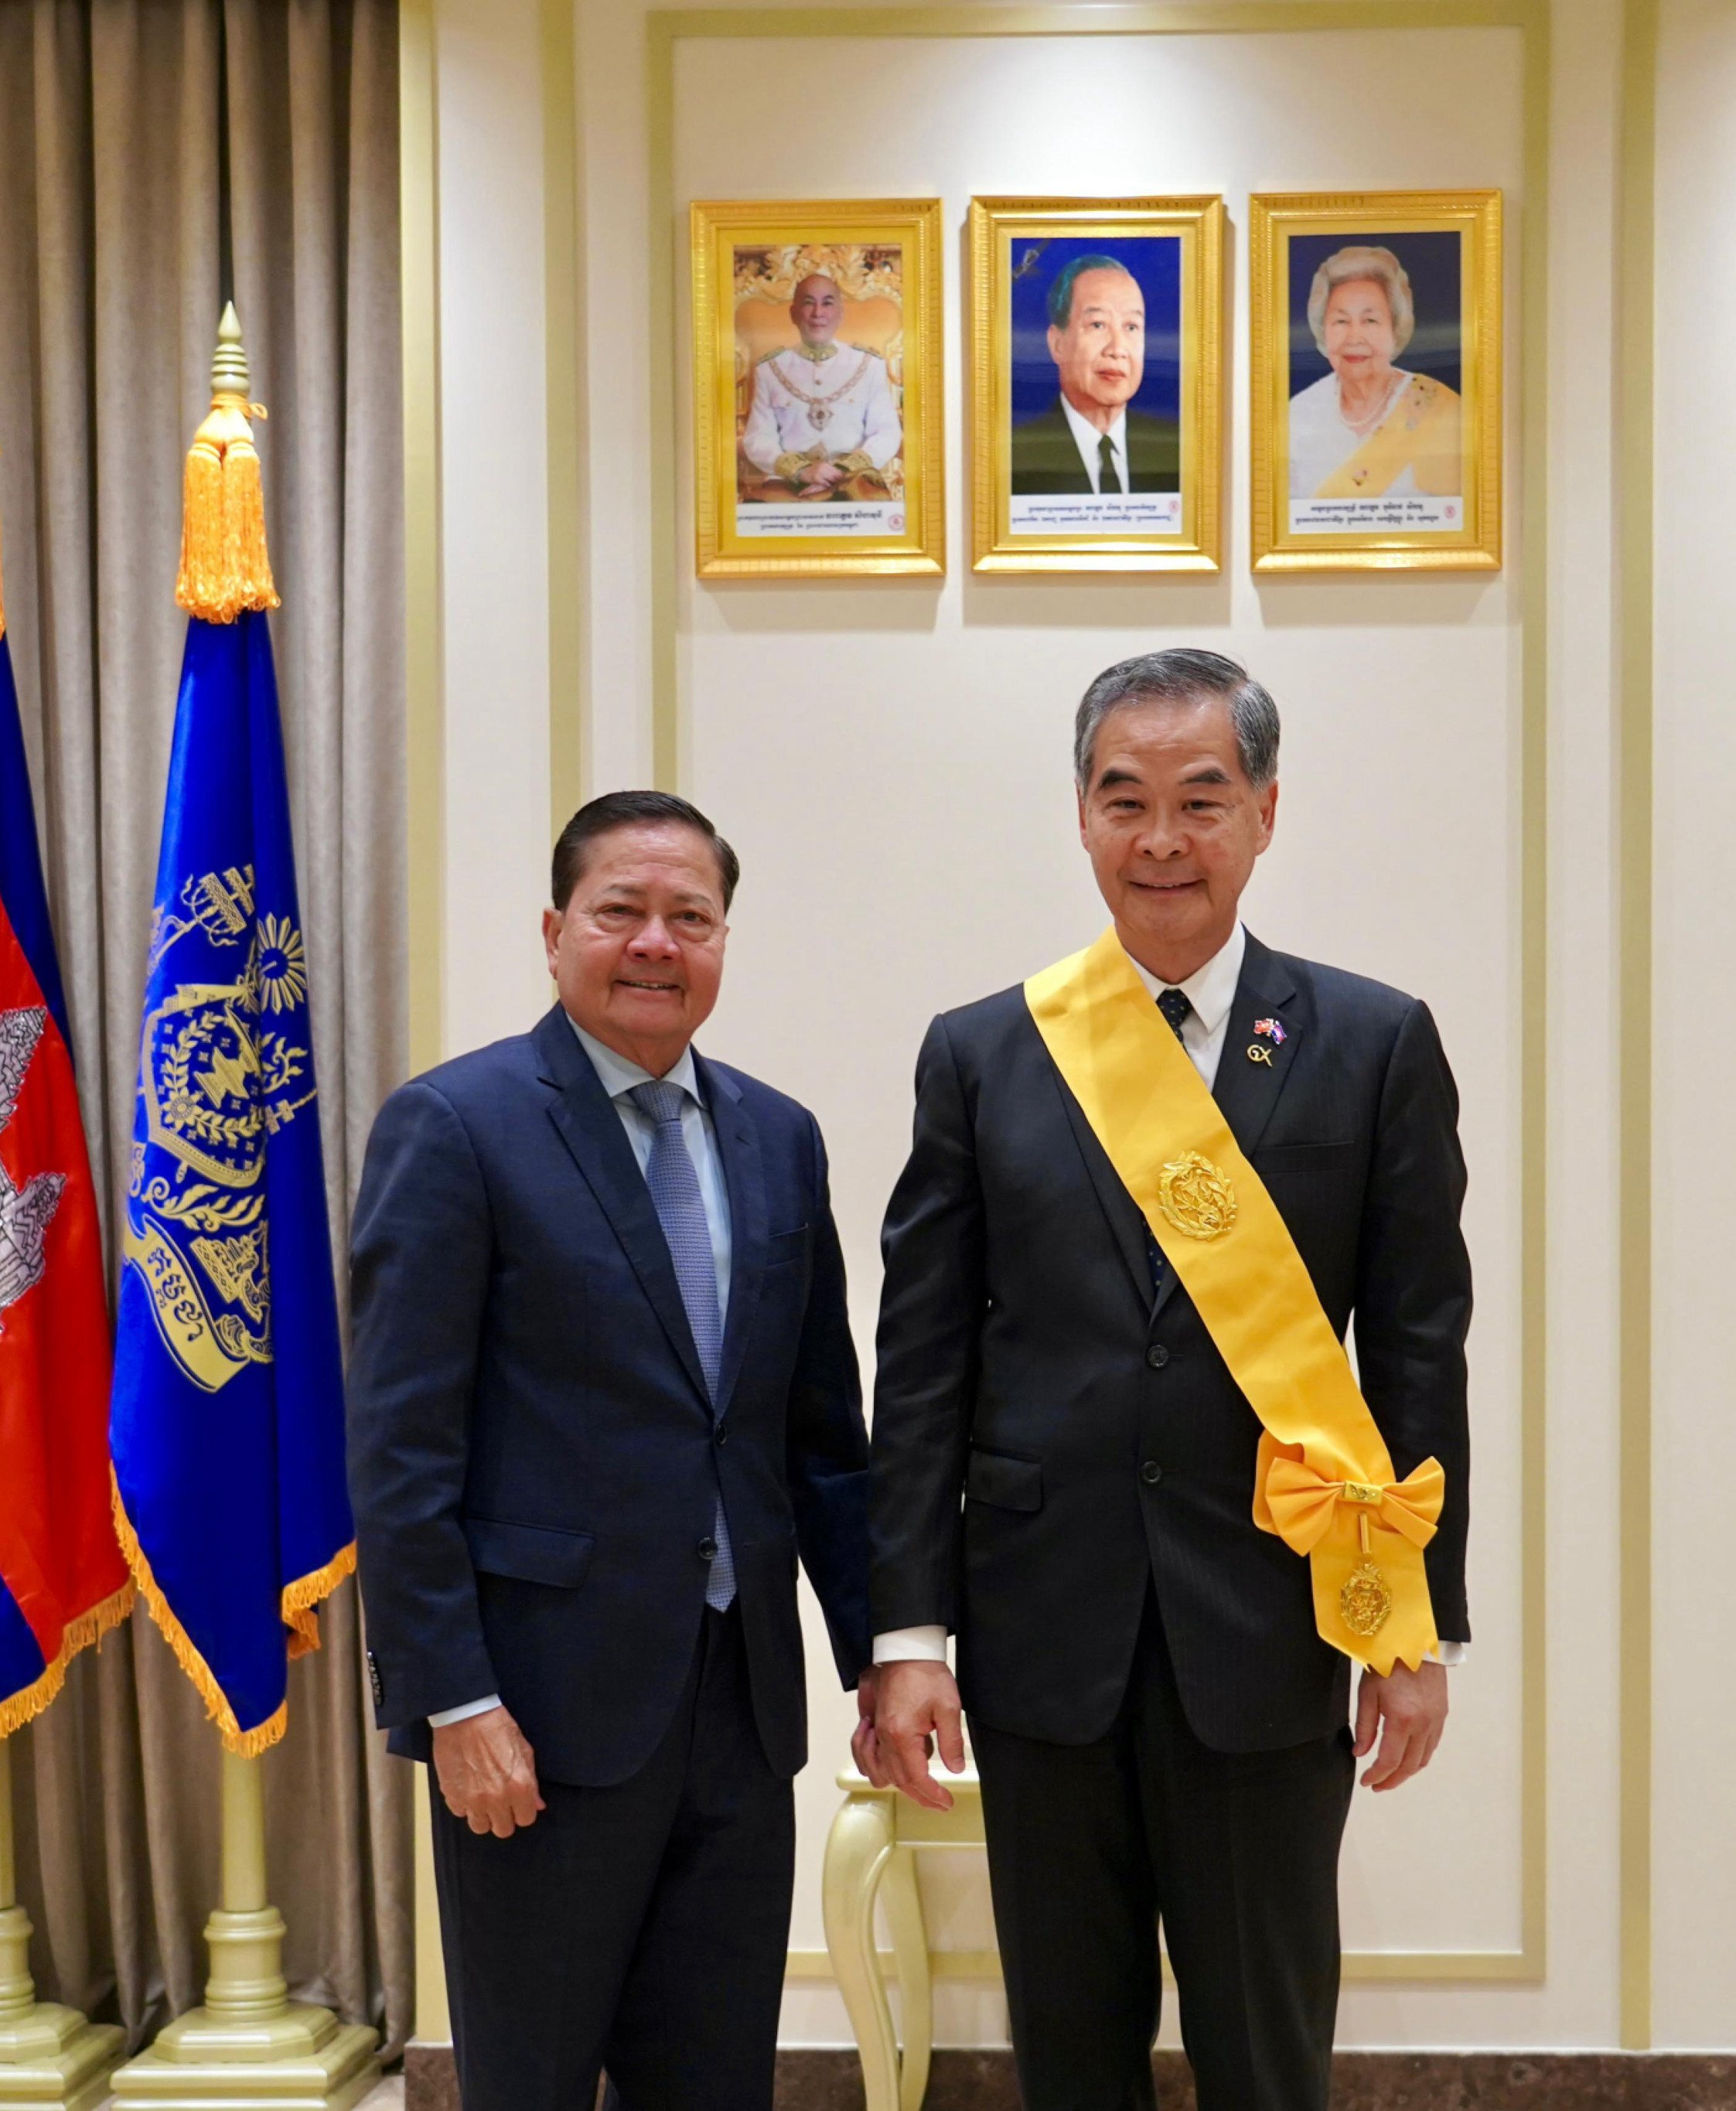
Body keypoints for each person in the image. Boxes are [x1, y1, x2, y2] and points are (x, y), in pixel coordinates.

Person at [861, 650, 1471, 2111]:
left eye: (1202, 800)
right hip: (1037, 1623)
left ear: (1266, 812)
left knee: (1267, 2044)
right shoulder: (986, 1052)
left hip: (1265, 1617)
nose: (1162, 840)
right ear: (1080, 816)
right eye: (1123, 799)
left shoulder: (1374, 1043)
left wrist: (1416, 1621)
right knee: (1070, 2048)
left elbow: (1415, 1344)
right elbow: (924, 1359)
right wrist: (908, 1629)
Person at [346, 789, 875, 2111]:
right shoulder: (458, 1127)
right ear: (554, 930)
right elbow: (401, 1447)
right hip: (535, 1716)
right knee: (531, 2081)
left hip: (738, 1712)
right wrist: (452, 1698)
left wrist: (884, 1655)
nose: (656, 943)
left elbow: (821, 1439)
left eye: (689, 917)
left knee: (712, 2083)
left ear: (722, 940)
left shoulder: (779, 1136)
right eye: (621, 911)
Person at [1284, 245, 1461, 502]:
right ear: (1323, 330)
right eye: (1341, 321)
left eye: (1370, 321)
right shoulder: (1298, 415)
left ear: (1395, 329)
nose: (1354, 337)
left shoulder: (1441, 411)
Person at [1008, 253, 1181, 496]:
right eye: (1097, 325)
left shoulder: (1175, 450)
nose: (1117, 349)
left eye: (1131, 327)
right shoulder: (1015, 454)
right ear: (1058, 344)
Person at [737, 271, 901, 503]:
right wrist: (802, 471)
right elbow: (757, 438)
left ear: (840, 313)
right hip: (788, 484)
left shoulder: (869, 364)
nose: (818, 313)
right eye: (808, 303)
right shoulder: (770, 369)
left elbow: (887, 432)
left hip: (853, 482)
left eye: (827, 303)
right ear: (793, 313)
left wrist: (840, 472)